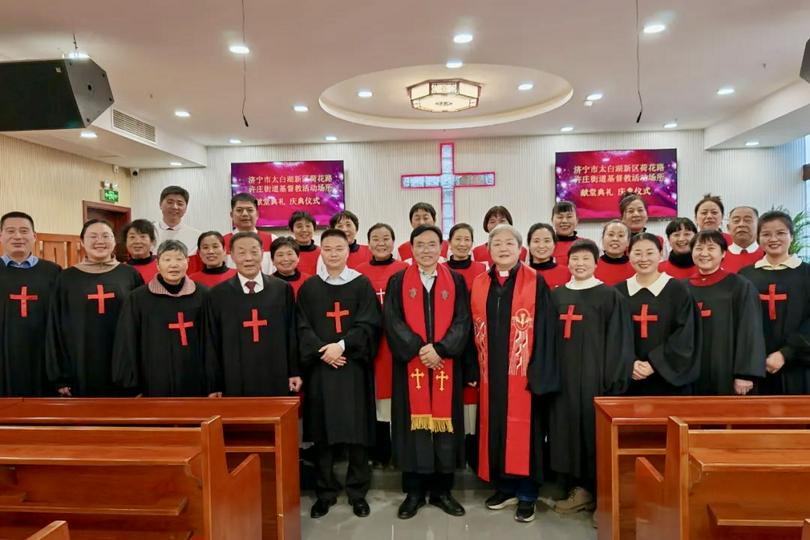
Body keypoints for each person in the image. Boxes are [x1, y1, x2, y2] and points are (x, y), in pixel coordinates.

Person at [470, 224, 559, 523]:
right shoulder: (481, 283)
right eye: (497, 244)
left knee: (526, 433)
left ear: (521, 248)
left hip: (523, 376)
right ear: (489, 249)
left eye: (510, 243)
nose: (503, 248)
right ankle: (505, 487)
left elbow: (546, 332)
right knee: (496, 429)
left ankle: (527, 494)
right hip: (491, 375)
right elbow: (472, 330)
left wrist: (539, 371)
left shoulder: (536, 282)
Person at [384, 224, 472, 520]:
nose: (426, 250)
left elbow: (463, 320)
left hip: (445, 366)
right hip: (412, 367)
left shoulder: (456, 281)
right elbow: (392, 321)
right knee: (414, 430)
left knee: (444, 429)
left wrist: (442, 349)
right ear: (411, 248)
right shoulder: (398, 281)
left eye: (432, 244)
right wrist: (420, 349)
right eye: (420, 244)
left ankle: (442, 492)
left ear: (441, 247)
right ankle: (414, 493)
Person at [296, 228, 381, 519]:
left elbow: (369, 324)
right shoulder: (309, 288)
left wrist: (341, 346)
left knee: (357, 431)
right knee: (323, 432)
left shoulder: (361, 285)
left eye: (339, 249)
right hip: (322, 369)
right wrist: (324, 351)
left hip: (353, 368)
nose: (333, 254)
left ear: (349, 251)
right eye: (328, 249)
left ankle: (358, 492)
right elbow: (302, 327)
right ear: (321, 250)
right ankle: (325, 492)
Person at [549, 239, 634, 519]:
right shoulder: (557, 296)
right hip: (563, 378)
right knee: (565, 430)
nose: (580, 264)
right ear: (567, 263)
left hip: (596, 379)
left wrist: (612, 380)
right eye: (575, 259)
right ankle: (574, 487)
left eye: (586, 259)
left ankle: (598, 495)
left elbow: (619, 341)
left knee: (592, 434)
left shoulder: (609, 296)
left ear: (596, 263)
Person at [45, 219, 143, 396]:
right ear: (82, 241)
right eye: (93, 236)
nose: (100, 241)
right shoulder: (66, 278)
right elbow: (55, 328)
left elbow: (142, 325)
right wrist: (60, 376)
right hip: (80, 364)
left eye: (106, 236)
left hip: (122, 364)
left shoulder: (130, 274)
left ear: (114, 241)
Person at [203, 232, 300, 397]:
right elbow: (212, 342)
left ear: (263, 253)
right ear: (231, 255)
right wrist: (214, 384)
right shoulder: (218, 295)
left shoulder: (282, 290)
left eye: (254, 252)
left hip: (276, 373)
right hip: (234, 377)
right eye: (241, 252)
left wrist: (294, 371)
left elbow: (292, 334)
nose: (248, 258)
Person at [112, 240, 207, 396]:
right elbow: (127, 343)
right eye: (167, 259)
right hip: (153, 379)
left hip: (196, 378)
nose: (173, 265)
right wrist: (131, 385)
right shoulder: (138, 299)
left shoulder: (203, 295)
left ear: (187, 262)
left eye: (179, 259)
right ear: (157, 264)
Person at [615, 233, 701, 395]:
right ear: (628, 254)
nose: (643, 258)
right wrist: (630, 362)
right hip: (629, 377)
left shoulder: (678, 291)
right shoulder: (618, 293)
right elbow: (613, 335)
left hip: (669, 380)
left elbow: (685, 336)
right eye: (638, 253)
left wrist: (654, 364)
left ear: (661, 254)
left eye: (650, 252)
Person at [355, 223, 409, 468]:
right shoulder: (358, 272)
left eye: (386, 238)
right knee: (374, 398)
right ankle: (379, 452)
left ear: (394, 241)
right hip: (372, 344)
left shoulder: (406, 269)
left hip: (399, 344)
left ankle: (402, 451)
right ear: (368, 243)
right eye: (375, 238)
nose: (381, 243)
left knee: (400, 398)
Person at [740, 210, 810, 395]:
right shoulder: (745, 276)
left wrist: (785, 353)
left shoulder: (806, 274)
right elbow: (740, 323)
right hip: (756, 368)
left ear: (791, 236)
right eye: (766, 234)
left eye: (780, 233)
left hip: (800, 365)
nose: (773, 239)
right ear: (758, 238)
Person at [688, 230, 766, 395]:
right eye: (698, 248)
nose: (704, 253)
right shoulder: (682, 288)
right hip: (688, 371)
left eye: (711, 248)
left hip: (727, 369)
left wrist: (745, 373)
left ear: (723, 253)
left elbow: (750, 330)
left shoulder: (739, 286)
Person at [0, 211, 61, 396]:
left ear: (34, 236)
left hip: (43, 356)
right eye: (10, 231)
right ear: (1, 236)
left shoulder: (53, 272)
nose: (18, 236)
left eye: (24, 231)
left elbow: (61, 320)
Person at [223, 193, 275, 274]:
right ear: (231, 215)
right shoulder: (221, 243)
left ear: (257, 214)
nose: (245, 214)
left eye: (250, 210)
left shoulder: (272, 240)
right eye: (239, 210)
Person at [153, 185, 201, 271]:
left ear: (186, 208)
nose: (175, 207)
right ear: (160, 204)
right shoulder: (148, 233)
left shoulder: (197, 236)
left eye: (180, 203)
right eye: (170, 202)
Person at [526, 223, 571, 289]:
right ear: (529, 244)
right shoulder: (521, 274)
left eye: (547, 241)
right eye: (536, 241)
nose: (541, 246)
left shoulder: (568, 273)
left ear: (554, 244)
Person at [444, 223, 487, 290]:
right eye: (458, 239)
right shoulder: (441, 269)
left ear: (472, 243)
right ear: (449, 242)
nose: (462, 244)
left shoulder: (482, 269)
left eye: (467, 239)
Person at [723, 206, 765, 273]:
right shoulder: (718, 257)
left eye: (747, 220)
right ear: (728, 228)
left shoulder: (768, 255)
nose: (741, 224)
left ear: (758, 226)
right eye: (736, 221)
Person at [594, 221, 635, 285]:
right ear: (602, 239)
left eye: (621, 235)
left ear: (628, 241)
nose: (615, 239)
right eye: (611, 235)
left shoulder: (636, 267)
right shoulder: (592, 267)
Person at [123, 219, 158, 283]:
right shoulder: (121, 269)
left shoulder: (162, 264)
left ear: (152, 241)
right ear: (126, 242)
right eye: (132, 237)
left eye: (143, 237)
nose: (137, 241)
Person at [551, 201, 585, 266]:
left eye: (569, 217)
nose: (564, 221)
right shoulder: (545, 247)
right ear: (552, 220)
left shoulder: (586, 245)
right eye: (560, 217)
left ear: (577, 220)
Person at [289, 210, 320, 276]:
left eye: (308, 226)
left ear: (314, 228)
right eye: (299, 226)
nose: (304, 230)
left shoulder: (322, 253)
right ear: (292, 229)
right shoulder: (286, 253)